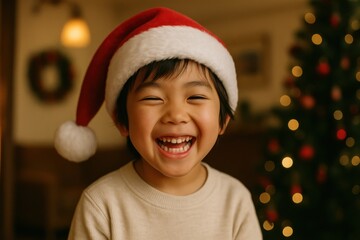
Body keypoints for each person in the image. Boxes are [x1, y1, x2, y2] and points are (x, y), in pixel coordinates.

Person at [54, 7, 262, 240]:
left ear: (223, 121)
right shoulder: (101, 205)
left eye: (195, 97)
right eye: (153, 98)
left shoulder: (235, 200)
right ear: (123, 122)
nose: (175, 114)